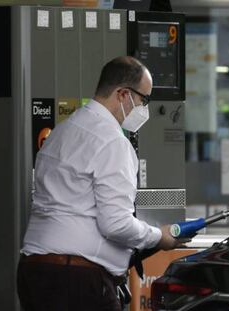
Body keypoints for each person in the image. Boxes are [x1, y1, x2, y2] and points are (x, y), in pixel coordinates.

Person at [17, 56, 184, 311]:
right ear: (123, 94)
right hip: (77, 281)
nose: (144, 109)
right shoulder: (112, 142)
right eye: (144, 100)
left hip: (35, 271)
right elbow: (116, 224)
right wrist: (158, 236)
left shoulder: (62, 131)